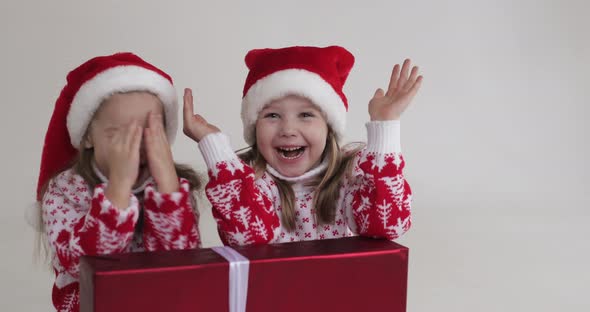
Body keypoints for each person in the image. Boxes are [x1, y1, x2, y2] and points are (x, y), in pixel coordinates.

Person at [183, 45, 422, 246]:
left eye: (306, 115)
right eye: (272, 116)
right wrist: (215, 148)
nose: (288, 129)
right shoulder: (251, 185)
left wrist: (386, 125)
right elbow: (248, 238)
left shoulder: (350, 179)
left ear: (329, 128)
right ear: (254, 127)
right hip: (271, 300)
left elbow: (389, 225)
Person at [36, 52, 202, 311]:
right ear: (88, 137)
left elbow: (180, 266)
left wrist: (168, 189)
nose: (134, 149)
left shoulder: (175, 189)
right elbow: (81, 265)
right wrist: (118, 189)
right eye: (120, 135)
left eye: (148, 134)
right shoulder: (65, 190)